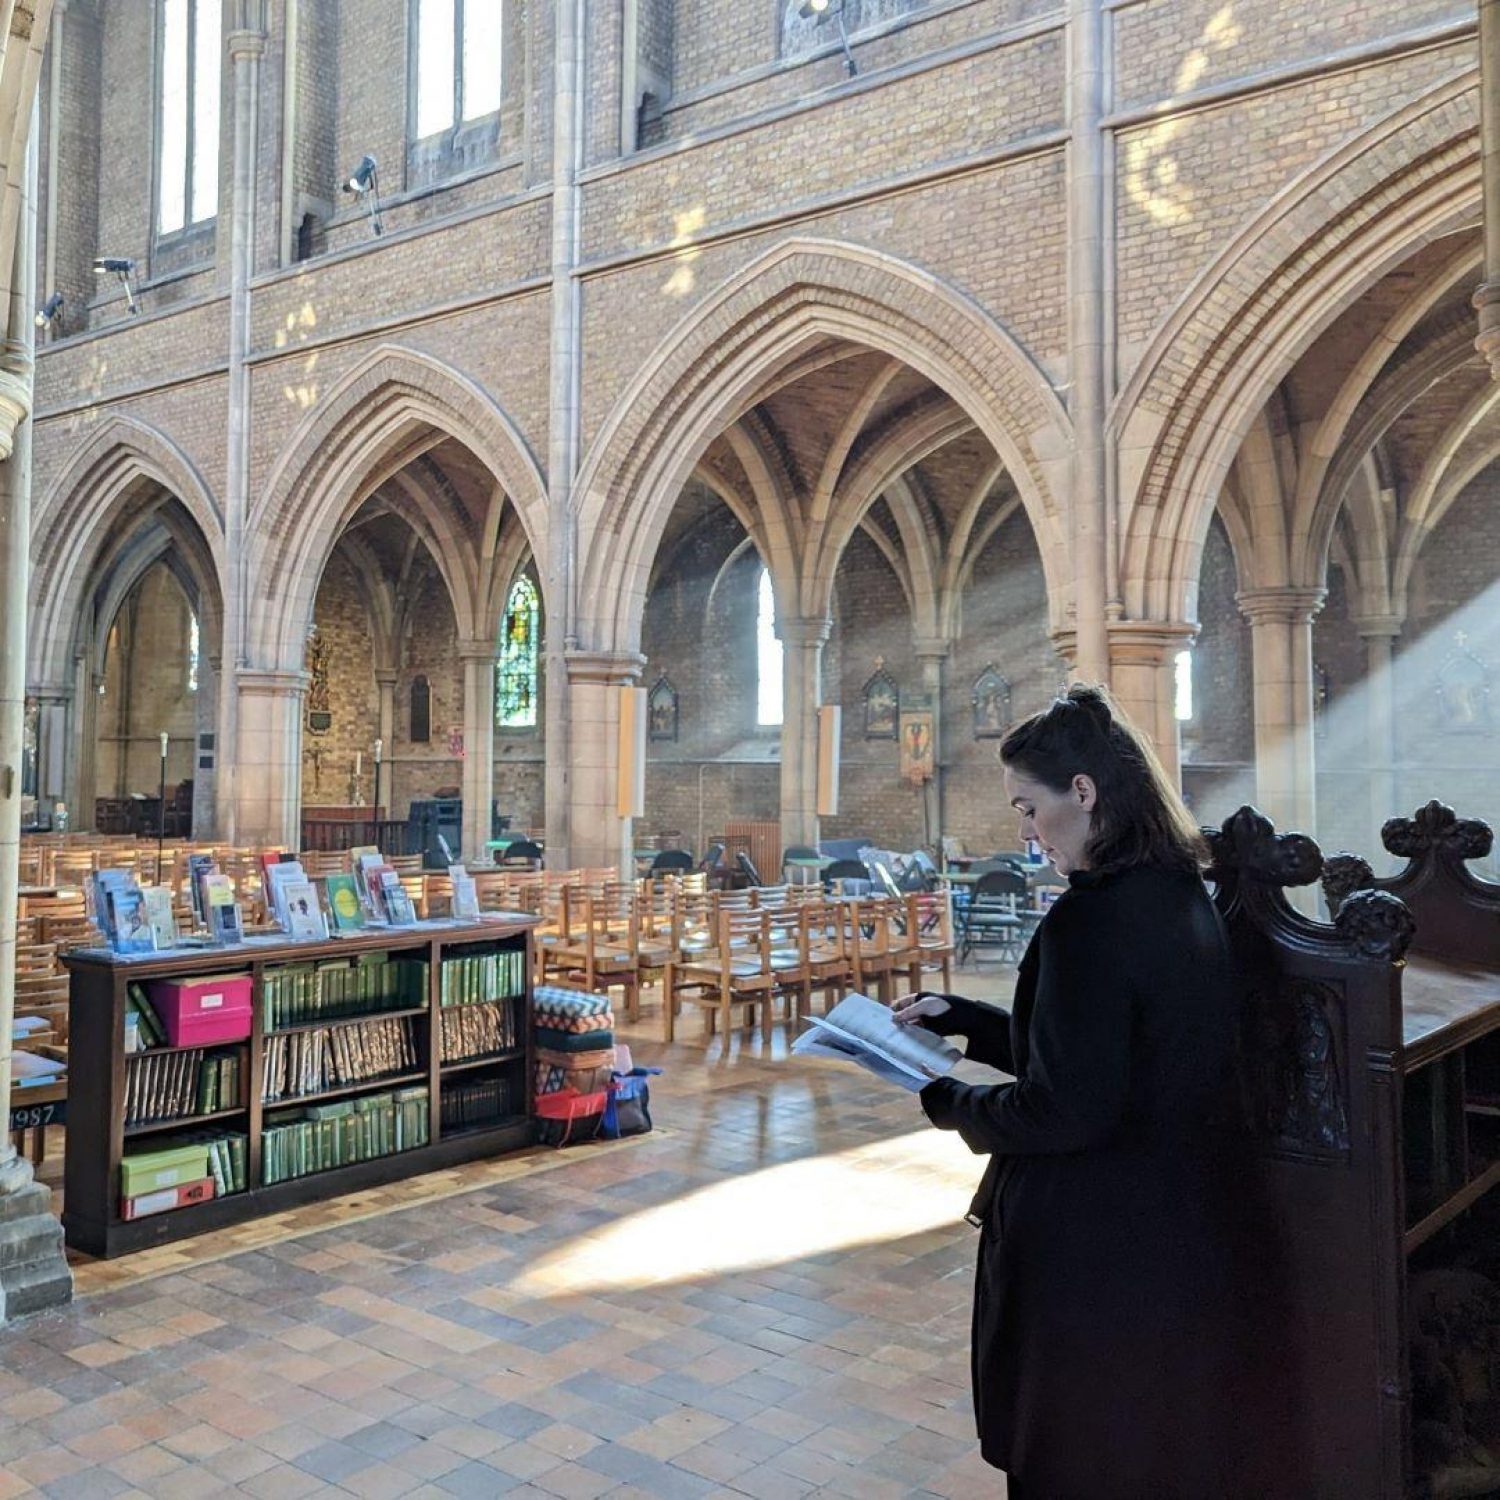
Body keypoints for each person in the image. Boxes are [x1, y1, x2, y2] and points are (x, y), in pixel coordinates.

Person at [895, 684, 1289, 1499]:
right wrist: (971, 1021)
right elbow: (1110, 1055)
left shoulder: (1089, 921)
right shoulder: (1177, 894)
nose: (1026, 832)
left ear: (1083, 792)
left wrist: (945, 1101)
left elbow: (1066, 1106)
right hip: (1167, 1231)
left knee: (1071, 1458)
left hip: (1089, 1249)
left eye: (1028, 809)